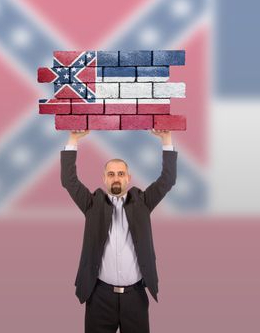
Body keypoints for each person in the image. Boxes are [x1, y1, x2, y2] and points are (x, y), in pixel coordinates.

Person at [61, 129, 178, 333]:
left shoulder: (143, 202)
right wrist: (73, 139)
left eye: (121, 174)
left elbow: (167, 180)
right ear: (104, 178)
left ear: (128, 178)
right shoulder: (92, 204)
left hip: (136, 297)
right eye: (111, 174)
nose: (116, 178)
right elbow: (69, 181)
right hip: (99, 296)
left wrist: (166, 139)